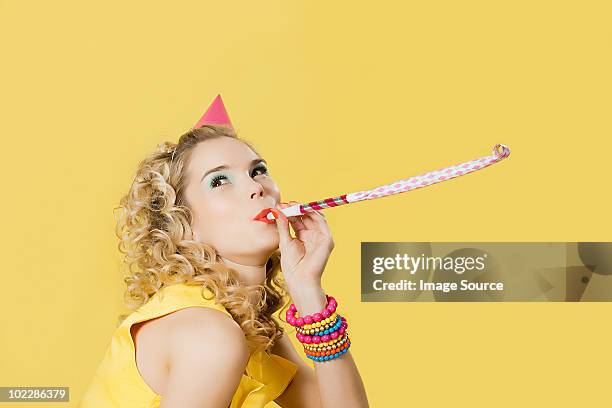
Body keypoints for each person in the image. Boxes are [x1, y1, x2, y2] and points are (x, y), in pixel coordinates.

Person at [79, 97, 369, 408]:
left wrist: (309, 292)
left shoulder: (248, 324)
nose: (256, 187)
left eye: (258, 171)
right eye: (220, 180)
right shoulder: (210, 334)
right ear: (184, 222)